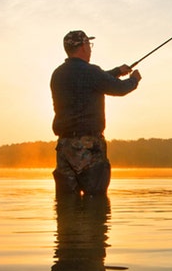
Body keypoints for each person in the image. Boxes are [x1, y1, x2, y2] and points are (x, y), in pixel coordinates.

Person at [50, 30, 141, 196]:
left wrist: (117, 71)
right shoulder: (91, 72)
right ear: (83, 47)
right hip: (89, 146)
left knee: (66, 204)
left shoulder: (58, 74)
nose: (90, 49)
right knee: (95, 200)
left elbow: (89, 81)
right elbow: (119, 88)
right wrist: (134, 79)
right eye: (89, 45)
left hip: (64, 147)